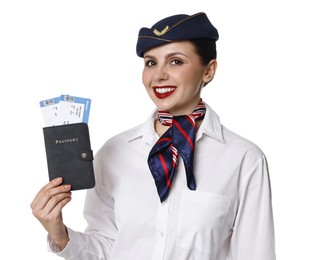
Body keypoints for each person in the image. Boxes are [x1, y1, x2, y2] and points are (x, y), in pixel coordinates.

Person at [31, 11, 276, 260]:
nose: (158, 76)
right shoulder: (114, 152)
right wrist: (59, 234)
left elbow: (255, 254)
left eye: (175, 61)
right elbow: (105, 247)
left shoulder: (244, 159)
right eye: (151, 62)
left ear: (208, 71)